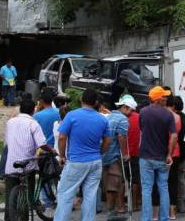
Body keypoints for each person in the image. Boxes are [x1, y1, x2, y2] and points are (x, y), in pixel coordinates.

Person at [54, 89, 111, 221]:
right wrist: (100, 152)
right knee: (90, 197)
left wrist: (62, 156)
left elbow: (62, 137)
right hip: (95, 162)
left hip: (76, 162)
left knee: (65, 195)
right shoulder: (102, 119)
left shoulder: (72, 115)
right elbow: (108, 140)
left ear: (81, 99)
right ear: (96, 102)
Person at [4, 99, 56, 221]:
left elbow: (7, 141)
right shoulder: (33, 124)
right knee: (28, 191)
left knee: (10, 197)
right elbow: (42, 144)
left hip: (11, 164)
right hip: (28, 164)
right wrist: (51, 150)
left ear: (20, 109)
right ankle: (31, 204)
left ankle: (9, 218)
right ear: (33, 110)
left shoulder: (10, 122)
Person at [139, 86, 178, 221]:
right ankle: (164, 218)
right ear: (158, 99)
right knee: (163, 187)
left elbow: (142, 129)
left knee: (146, 189)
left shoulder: (143, 112)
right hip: (161, 157)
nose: (166, 99)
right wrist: (169, 154)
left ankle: (146, 218)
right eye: (164, 97)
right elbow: (174, 136)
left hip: (145, 157)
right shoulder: (168, 114)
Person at [102, 95, 137, 219]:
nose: (131, 113)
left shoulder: (109, 115)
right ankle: (111, 213)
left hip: (104, 155)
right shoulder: (122, 119)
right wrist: (125, 154)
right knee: (114, 183)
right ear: (125, 107)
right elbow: (121, 137)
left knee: (108, 184)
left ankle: (111, 211)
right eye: (130, 110)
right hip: (113, 156)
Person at [118, 99, 142, 213]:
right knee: (135, 180)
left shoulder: (120, 119)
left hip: (123, 154)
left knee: (123, 181)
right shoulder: (139, 117)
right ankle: (135, 204)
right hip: (136, 153)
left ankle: (121, 206)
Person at [173, 96, 185, 214]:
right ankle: (181, 205)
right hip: (183, 155)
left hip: (173, 153)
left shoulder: (172, 118)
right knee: (181, 180)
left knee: (171, 180)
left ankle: (172, 206)